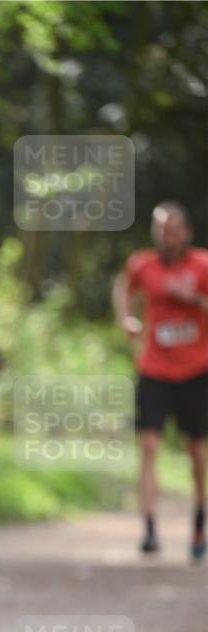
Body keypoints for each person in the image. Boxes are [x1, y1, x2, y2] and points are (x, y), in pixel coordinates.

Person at [113, 202, 208, 560]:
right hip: (154, 369)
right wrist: (126, 318)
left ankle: (199, 519)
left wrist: (194, 299)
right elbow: (124, 286)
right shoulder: (142, 264)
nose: (165, 237)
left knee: (196, 451)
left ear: (186, 232)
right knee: (149, 446)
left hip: (196, 371)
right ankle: (150, 528)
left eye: (172, 231)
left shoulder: (202, 264)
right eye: (159, 231)